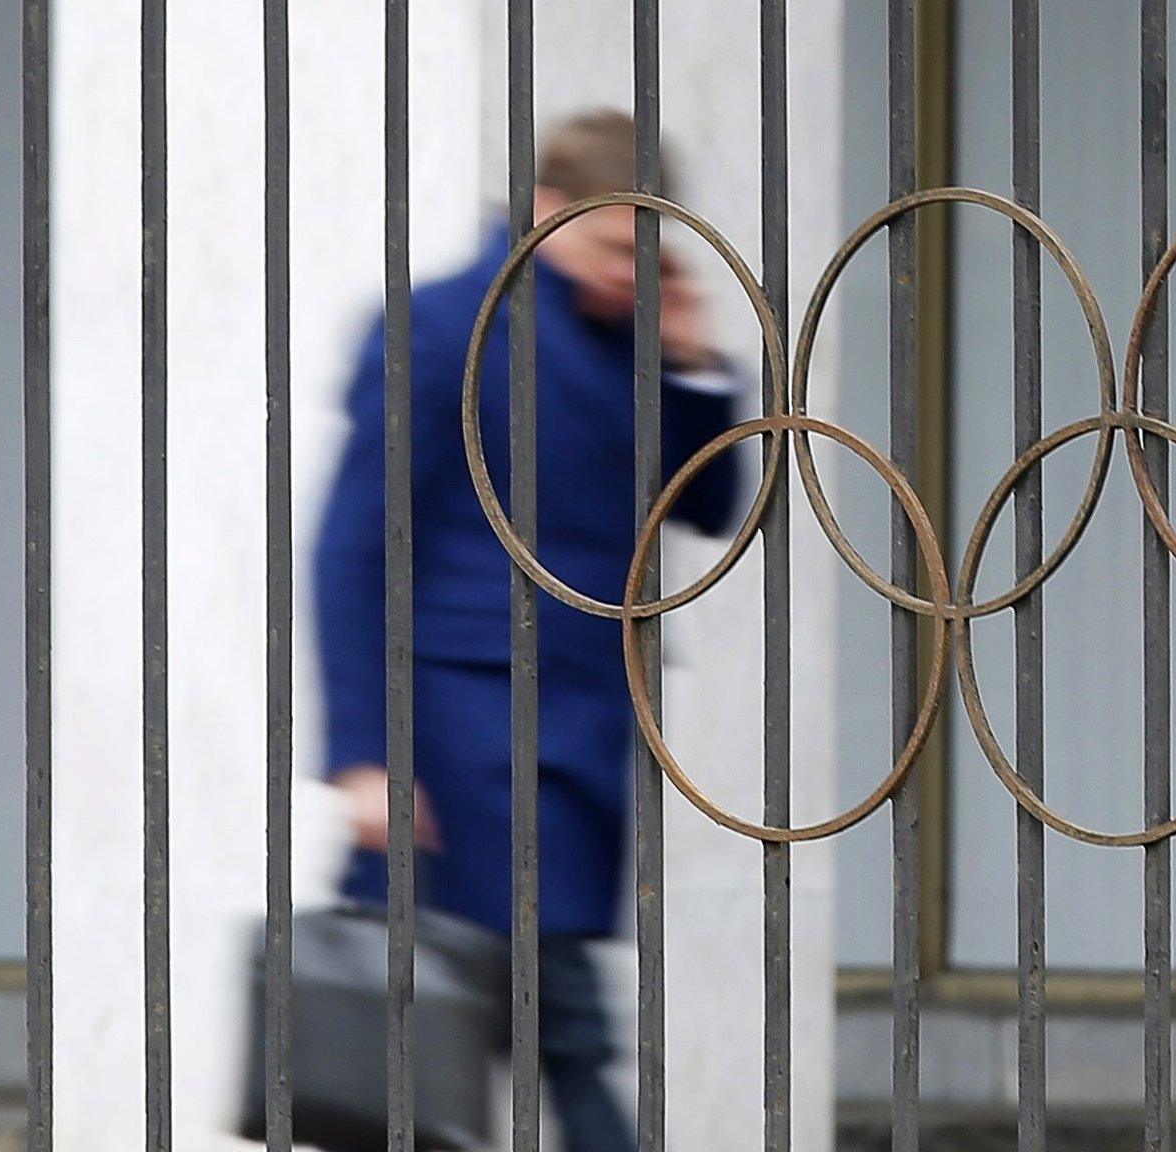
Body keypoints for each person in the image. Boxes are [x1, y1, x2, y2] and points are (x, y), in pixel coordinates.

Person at [312, 109, 741, 1152]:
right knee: (512, 1045)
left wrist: (694, 368)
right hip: (461, 755)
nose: (623, 276)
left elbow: (711, 501)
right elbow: (351, 548)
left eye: (643, 254)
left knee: (487, 1051)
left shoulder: (630, 341)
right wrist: (366, 756)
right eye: (605, 248)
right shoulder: (445, 323)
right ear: (543, 211)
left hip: (578, 747)